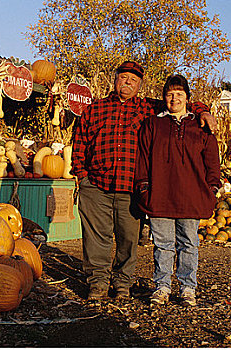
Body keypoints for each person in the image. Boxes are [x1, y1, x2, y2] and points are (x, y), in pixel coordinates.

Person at [72, 61, 216, 300]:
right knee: (97, 238)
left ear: (140, 85)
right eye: (123, 77)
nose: (127, 83)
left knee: (128, 239)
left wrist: (203, 110)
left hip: (130, 186)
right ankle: (97, 283)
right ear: (115, 79)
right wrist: (82, 175)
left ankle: (122, 284)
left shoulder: (149, 107)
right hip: (96, 184)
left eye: (134, 80)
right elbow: (80, 143)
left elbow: (180, 102)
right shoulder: (94, 108)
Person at [135, 74, 221, 306]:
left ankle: (187, 288)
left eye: (179, 94)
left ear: (187, 98)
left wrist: (212, 187)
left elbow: (212, 160)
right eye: (170, 94)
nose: (174, 98)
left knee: (188, 244)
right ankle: (162, 287)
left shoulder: (200, 125)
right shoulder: (154, 124)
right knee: (163, 245)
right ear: (164, 97)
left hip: (191, 195)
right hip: (160, 193)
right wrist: (143, 186)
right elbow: (143, 157)